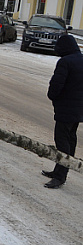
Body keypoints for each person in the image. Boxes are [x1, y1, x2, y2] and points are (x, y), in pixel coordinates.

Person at [42, 34, 83, 188]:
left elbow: (56, 85)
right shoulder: (81, 59)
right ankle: (60, 170)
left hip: (66, 108)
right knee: (70, 139)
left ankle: (59, 176)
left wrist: (53, 96)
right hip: (78, 109)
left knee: (62, 142)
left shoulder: (65, 62)